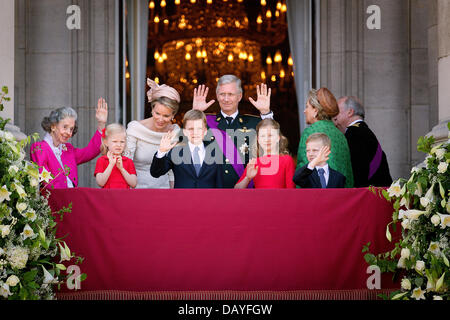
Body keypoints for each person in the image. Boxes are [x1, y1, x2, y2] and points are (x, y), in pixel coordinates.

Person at [192, 74, 274, 188]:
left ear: (239, 96)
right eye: (222, 94)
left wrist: (265, 113)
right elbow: (187, 145)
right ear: (217, 96)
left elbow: (274, 143)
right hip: (213, 191)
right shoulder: (206, 122)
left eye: (230, 94)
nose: (226, 99)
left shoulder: (253, 123)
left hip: (245, 191)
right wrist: (195, 113)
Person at [30, 99, 108, 189]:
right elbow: (45, 181)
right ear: (53, 126)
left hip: (72, 198)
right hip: (53, 199)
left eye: (71, 129)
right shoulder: (39, 148)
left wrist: (101, 124)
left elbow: (90, 151)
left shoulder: (68, 149)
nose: (68, 132)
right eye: (65, 127)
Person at [126, 78, 181, 188]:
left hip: (163, 190)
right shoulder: (135, 128)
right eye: (157, 113)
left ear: (173, 115)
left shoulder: (175, 131)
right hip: (136, 188)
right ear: (152, 109)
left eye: (166, 116)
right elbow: (126, 163)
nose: (161, 119)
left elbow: (172, 171)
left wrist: (173, 194)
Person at [296, 88, 354, 188]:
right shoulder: (340, 134)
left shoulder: (309, 132)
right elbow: (348, 173)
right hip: (341, 196)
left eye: (307, 107)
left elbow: (303, 168)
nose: (304, 111)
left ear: (315, 110)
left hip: (316, 196)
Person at [150, 110, 223, 188]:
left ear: (205, 131)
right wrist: (161, 151)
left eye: (199, 129)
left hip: (208, 199)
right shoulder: (176, 152)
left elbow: (219, 184)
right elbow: (156, 173)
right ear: (184, 131)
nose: (195, 132)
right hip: (182, 199)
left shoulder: (215, 154)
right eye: (191, 129)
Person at [333, 96, 392, 187]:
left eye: (337, 112)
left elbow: (357, 173)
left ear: (350, 112)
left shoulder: (354, 133)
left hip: (369, 195)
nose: (334, 117)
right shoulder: (362, 131)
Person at [234, 119, 296, 189]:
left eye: (270, 135)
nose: (266, 139)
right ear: (258, 139)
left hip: (281, 199)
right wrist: (247, 178)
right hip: (259, 199)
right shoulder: (254, 162)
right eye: (263, 136)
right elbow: (237, 189)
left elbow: (291, 190)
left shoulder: (286, 160)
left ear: (278, 138)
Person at [94, 124, 137, 189]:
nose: (119, 145)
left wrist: (121, 169)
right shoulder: (101, 160)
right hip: (107, 197)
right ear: (106, 142)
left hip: (124, 197)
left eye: (122, 142)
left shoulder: (128, 161)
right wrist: (111, 164)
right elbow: (100, 182)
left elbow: (133, 184)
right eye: (115, 141)